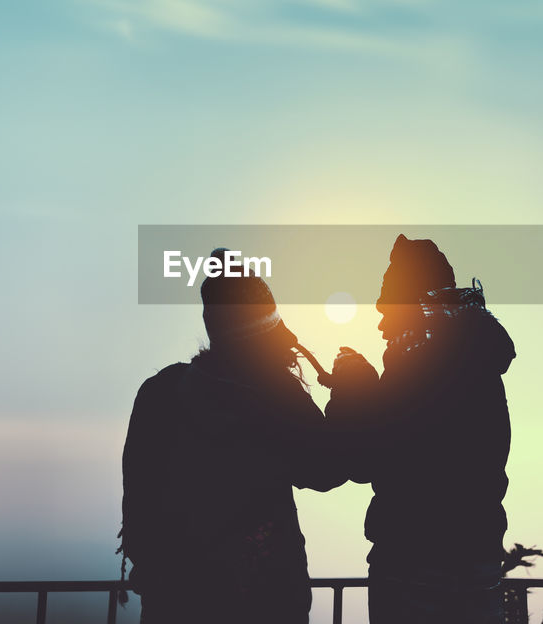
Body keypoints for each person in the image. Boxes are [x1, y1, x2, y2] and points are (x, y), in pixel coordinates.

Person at [120, 248, 346, 624]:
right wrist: (349, 396)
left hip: (177, 599)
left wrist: (157, 573)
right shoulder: (275, 394)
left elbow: (139, 501)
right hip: (267, 599)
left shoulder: (159, 393)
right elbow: (327, 470)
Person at [325, 234, 516, 624]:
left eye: (387, 301)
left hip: (412, 561)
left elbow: (368, 460)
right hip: (479, 560)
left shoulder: (418, 359)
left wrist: (355, 388)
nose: (379, 317)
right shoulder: (476, 354)